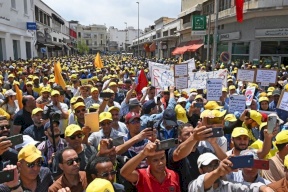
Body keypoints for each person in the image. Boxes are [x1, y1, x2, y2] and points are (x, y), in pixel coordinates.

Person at [168, 123, 227, 192]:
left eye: (193, 132)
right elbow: (177, 155)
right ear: (179, 138)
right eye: (187, 134)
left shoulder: (205, 150)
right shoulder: (175, 150)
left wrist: (214, 143)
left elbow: (225, 162)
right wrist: (193, 137)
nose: (191, 135)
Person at [187, 153, 269, 192]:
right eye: (209, 165)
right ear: (201, 170)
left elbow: (248, 187)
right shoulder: (193, 185)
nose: (214, 168)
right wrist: (218, 172)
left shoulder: (227, 186)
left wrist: (264, 188)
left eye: (216, 164)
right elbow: (202, 183)